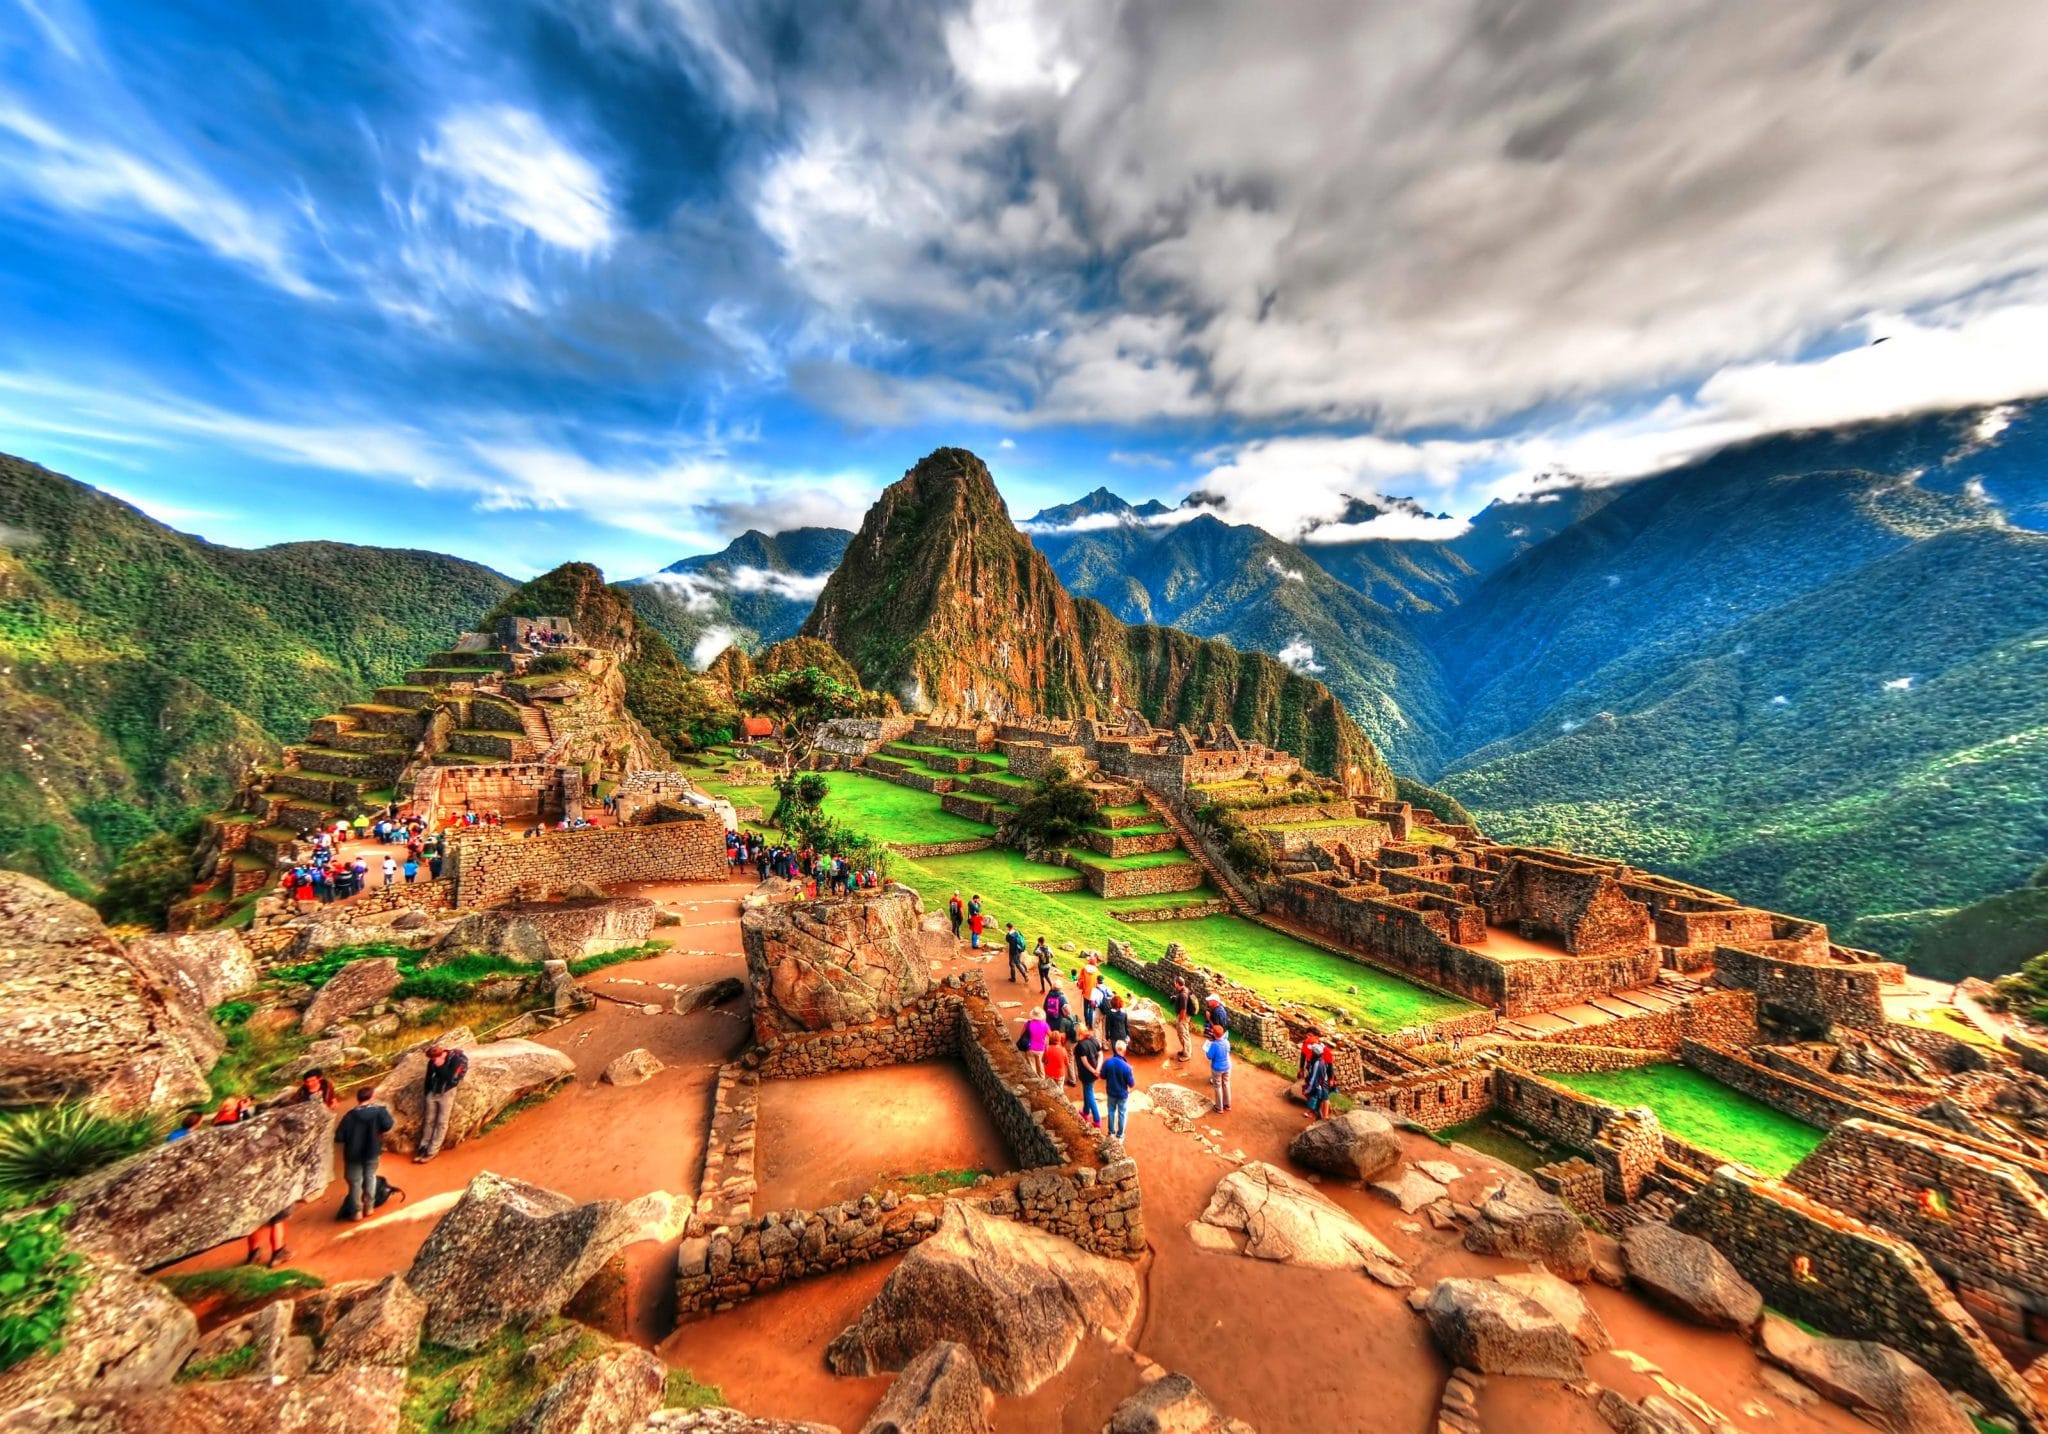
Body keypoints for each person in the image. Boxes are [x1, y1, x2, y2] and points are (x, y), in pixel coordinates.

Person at [335, 1085, 394, 1223]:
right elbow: (388, 1125)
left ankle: (356, 1212)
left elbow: (339, 1136)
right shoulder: (380, 1111)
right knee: (370, 1177)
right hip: (372, 1150)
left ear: (358, 1099)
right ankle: (369, 1207)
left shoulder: (349, 1116)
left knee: (355, 1182)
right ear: (371, 1097)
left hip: (353, 1154)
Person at [415, 1044, 468, 1163]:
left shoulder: (455, 1060)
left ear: (441, 1053)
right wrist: (427, 1093)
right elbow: (428, 1077)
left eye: (434, 1058)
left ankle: (432, 1150)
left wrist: (441, 1066)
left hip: (447, 1093)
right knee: (428, 1120)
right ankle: (423, 1147)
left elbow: (450, 1078)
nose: (432, 1061)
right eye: (431, 1059)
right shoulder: (432, 1062)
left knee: (441, 1122)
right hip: (433, 1093)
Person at [1102, 1040, 1136, 1138]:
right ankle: (1120, 1135)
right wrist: (1131, 1073)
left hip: (1111, 1093)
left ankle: (1111, 1132)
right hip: (1122, 1095)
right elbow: (1132, 1084)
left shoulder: (1108, 1062)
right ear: (1124, 1051)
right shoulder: (1127, 1067)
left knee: (1111, 1111)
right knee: (1122, 1114)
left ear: (1115, 1049)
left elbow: (1103, 1075)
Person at [1074, 1026, 1104, 1128]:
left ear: (1079, 1034)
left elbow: (1084, 1062)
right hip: (1095, 1070)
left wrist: (1093, 1071)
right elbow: (1100, 1054)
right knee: (1087, 1090)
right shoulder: (1094, 1040)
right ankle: (1086, 1111)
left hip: (1086, 1073)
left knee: (1089, 1093)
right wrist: (1097, 1069)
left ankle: (1097, 1119)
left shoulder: (1080, 1046)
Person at [1302, 1038, 1335, 1121]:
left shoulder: (1317, 1063)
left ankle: (1322, 1117)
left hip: (1320, 1085)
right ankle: (1324, 1115)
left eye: (1312, 1051)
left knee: (1321, 1099)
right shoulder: (1320, 1061)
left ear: (1314, 1053)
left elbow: (1314, 1079)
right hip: (1322, 1083)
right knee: (1322, 1099)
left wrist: (1308, 1089)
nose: (1311, 1052)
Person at [1204, 1023, 1233, 1113]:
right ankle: (1227, 1105)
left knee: (1218, 1086)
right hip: (1227, 1067)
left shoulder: (1214, 1045)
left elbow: (1209, 1056)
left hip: (1217, 1068)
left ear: (1214, 1034)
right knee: (1226, 1084)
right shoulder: (1226, 1042)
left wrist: (1206, 1049)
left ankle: (1219, 1107)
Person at [1170, 977, 1197, 1061]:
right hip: (1184, 1016)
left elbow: (1183, 1009)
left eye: (1175, 982)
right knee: (1182, 1033)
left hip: (1183, 1017)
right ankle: (1185, 1050)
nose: (1174, 984)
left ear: (1177, 983)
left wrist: (1180, 1020)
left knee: (1183, 1034)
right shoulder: (1184, 990)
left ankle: (1187, 1054)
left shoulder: (1183, 995)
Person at [1022, 1008, 1050, 1079]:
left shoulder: (1027, 1024)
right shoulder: (1045, 1025)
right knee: (1040, 1064)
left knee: (1032, 1065)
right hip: (1040, 1049)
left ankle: (1034, 1079)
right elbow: (1050, 1035)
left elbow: (1022, 1035)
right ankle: (1042, 1079)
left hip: (1029, 1047)